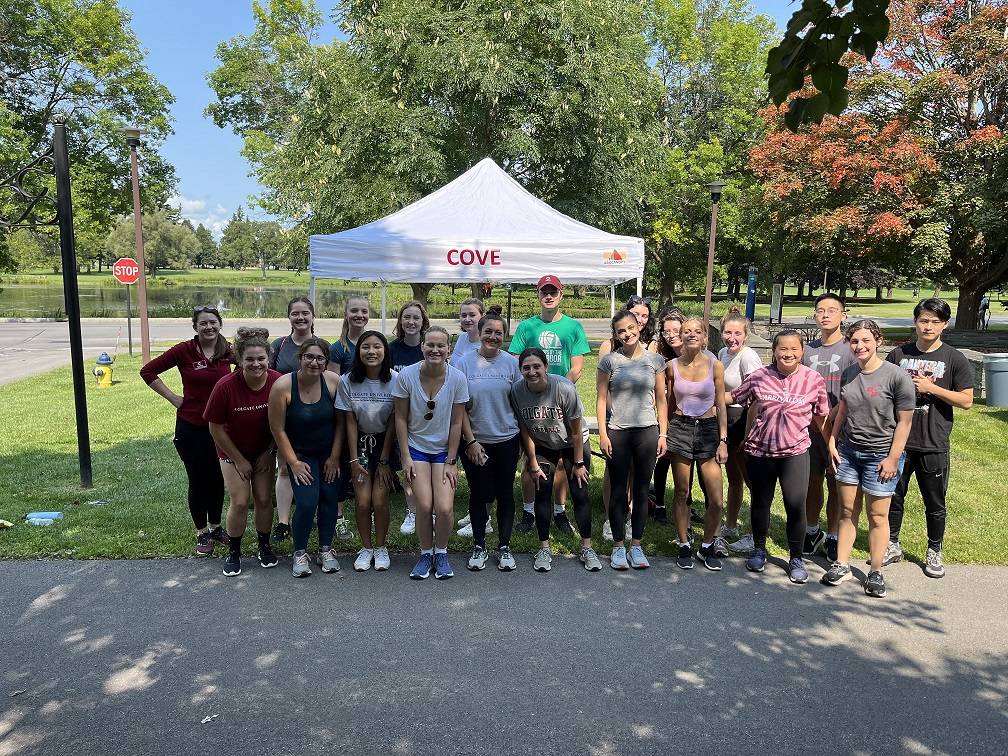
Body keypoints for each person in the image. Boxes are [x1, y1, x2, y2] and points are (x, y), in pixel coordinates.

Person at [823, 319, 915, 598]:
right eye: (854, 341)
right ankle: (842, 565)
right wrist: (832, 440)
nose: (859, 346)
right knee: (847, 510)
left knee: (877, 515)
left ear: (878, 341)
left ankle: (875, 571)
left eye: (866, 340)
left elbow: (905, 422)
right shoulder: (849, 373)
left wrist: (892, 458)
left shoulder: (896, 376)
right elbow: (843, 408)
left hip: (881, 455)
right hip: (849, 453)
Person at [729, 330, 829, 583]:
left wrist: (832, 445)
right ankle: (759, 550)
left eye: (794, 349)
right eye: (783, 349)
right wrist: (702, 389)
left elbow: (821, 417)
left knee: (795, 505)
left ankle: (796, 558)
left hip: (795, 452)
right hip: (760, 452)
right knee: (761, 503)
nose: (788, 354)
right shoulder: (759, 376)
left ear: (802, 351)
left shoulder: (813, 379)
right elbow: (733, 397)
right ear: (773, 351)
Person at [884, 298, 973, 578]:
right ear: (915, 322)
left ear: (945, 325)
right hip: (899, 441)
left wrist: (931, 388)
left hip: (933, 441)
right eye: (924, 320)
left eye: (935, 321)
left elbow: (967, 400)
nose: (928, 326)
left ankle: (934, 550)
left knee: (934, 502)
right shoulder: (898, 355)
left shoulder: (954, 358)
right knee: (894, 496)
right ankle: (892, 544)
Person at [140, 305, 233, 555]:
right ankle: (202, 532)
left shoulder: (228, 350)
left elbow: (251, 366)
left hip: (220, 428)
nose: (209, 327)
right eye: (203, 323)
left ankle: (216, 527)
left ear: (220, 324)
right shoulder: (184, 350)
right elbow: (147, 371)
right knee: (198, 480)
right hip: (191, 426)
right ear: (195, 327)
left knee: (217, 478)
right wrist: (173, 398)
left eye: (213, 322)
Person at [508, 275, 590, 536]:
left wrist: (557, 390)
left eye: (553, 291)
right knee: (530, 459)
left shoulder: (573, 326)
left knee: (562, 461)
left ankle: (560, 511)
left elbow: (577, 367)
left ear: (561, 294)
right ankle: (529, 511)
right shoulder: (526, 327)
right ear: (538, 295)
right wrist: (535, 388)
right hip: (531, 402)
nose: (549, 296)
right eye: (544, 292)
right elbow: (516, 362)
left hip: (562, 402)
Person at [510, 348, 602, 572]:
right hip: (543, 443)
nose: (532, 371)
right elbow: (525, 429)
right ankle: (544, 548)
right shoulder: (517, 391)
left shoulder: (563, 387)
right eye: (526, 368)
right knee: (542, 491)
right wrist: (532, 461)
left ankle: (587, 547)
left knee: (579, 492)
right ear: (521, 370)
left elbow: (576, 430)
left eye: (536, 366)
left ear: (546, 367)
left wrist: (578, 464)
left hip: (573, 443)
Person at [392, 326, 468, 580]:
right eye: (430, 345)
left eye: (441, 345)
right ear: (422, 347)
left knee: (444, 508)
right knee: (424, 506)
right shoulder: (407, 376)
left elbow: (457, 422)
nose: (435, 350)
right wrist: (405, 457)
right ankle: (426, 554)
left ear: (449, 349)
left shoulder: (457, 378)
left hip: (444, 451)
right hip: (417, 448)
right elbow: (400, 418)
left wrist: (451, 460)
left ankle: (441, 552)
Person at [204, 327, 282, 576]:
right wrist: (239, 460)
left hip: (264, 451)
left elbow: (282, 423)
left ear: (268, 358)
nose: (256, 364)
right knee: (239, 501)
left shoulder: (278, 382)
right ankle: (234, 551)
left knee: (263, 498)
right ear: (239, 359)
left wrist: (269, 451)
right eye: (249, 359)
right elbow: (215, 428)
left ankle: (264, 546)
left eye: (261, 359)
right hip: (232, 451)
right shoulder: (225, 386)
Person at [596, 310, 667, 570]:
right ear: (616, 335)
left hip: (647, 432)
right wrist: (603, 434)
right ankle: (618, 546)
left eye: (630, 328)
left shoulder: (655, 360)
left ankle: (636, 545)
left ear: (638, 326)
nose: (627, 334)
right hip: (618, 432)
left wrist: (663, 433)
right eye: (621, 331)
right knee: (617, 490)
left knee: (641, 490)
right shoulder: (609, 362)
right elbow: (601, 400)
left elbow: (662, 400)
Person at [268, 338, 344, 578]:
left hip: (329, 454)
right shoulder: (283, 386)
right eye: (309, 357)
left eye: (320, 358)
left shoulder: (333, 382)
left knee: (329, 499)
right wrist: (293, 463)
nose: (314, 362)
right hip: (300, 455)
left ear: (326, 361)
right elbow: (277, 429)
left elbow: (342, 424)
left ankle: (325, 550)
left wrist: (335, 457)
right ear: (300, 358)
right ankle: (299, 552)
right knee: (307, 502)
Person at [454, 308, 521, 570]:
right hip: (475, 443)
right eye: (488, 332)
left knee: (505, 493)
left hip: (507, 439)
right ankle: (479, 546)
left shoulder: (512, 364)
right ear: (479, 333)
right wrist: (470, 441)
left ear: (504, 336)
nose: (493, 337)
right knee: (479, 493)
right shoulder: (463, 363)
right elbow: (459, 407)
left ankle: (504, 547)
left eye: (499, 333)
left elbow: (518, 404)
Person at [665, 317, 728, 571]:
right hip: (680, 428)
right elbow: (668, 402)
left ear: (704, 337)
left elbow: (721, 404)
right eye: (687, 331)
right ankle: (684, 545)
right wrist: (664, 433)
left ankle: (707, 545)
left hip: (709, 429)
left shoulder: (716, 366)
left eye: (697, 331)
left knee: (716, 499)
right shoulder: (671, 366)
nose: (692, 334)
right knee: (682, 492)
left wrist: (723, 440)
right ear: (681, 336)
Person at [334, 330, 398, 572]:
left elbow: (394, 421)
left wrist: (384, 460)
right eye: (366, 347)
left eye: (377, 347)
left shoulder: (395, 379)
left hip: (384, 443)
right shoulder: (347, 380)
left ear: (385, 351)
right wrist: (353, 460)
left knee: (379, 501)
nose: (371, 351)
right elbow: (349, 421)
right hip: (359, 444)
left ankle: (381, 548)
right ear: (358, 351)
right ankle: (367, 548)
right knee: (362, 502)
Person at [801, 293, 856, 562]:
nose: (825, 315)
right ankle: (812, 531)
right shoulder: (807, 351)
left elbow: (853, 392)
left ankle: (834, 535)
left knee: (836, 482)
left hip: (839, 429)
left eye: (832, 310)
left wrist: (829, 417)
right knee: (812, 481)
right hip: (808, 429)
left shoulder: (851, 349)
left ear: (843, 316)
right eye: (820, 310)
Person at [597, 296, 656, 538]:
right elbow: (603, 389)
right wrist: (610, 419)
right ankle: (611, 518)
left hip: (643, 422)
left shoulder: (652, 347)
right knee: (613, 472)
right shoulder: (609, 346)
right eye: (636, 314)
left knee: (635, 472)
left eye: (645, 316)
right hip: (615, 418)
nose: (640, 319)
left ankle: (630, 514)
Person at [269, 296, 316, 546]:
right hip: (285, 417)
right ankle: (283, 522)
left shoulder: (320, 345)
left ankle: (310, 513)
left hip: (314, 417)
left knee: (313, 466)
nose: (300, 318)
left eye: (305, 313)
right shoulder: (279, 345)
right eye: (295, 313)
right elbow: (268, 377)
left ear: (312, 316)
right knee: (285, 467)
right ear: (288, 317)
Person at [717, 310, 763, 550]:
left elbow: (757, 395)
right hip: (727, 419)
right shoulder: (722, 354)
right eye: (727, 332)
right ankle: (731, 526)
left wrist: (749, 433)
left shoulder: (748, 357)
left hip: (745, 419)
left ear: (746, 335)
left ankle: (756, 533)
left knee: (752, 480)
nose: (732, 338)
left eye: (737, 333)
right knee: (734, 479)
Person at [389, 300, 430, 536]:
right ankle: (412, 511)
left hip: (429, 416)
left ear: (423, 322)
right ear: (400, 321)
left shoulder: (429, 348)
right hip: (402, 414)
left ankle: (430, 509)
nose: (411, 322)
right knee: (409, 463)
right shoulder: (391, 349)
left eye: (416, 317)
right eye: (407, 317)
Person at [448, 297, 484, 366]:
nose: (467, 319)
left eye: (472, 315)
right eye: (464, 315)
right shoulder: (462, 337)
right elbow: (453, 364)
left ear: (482, 317)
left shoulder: (485, 345)